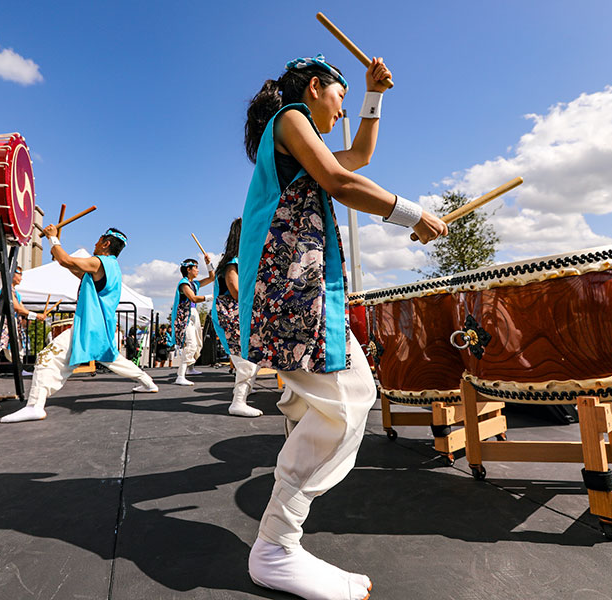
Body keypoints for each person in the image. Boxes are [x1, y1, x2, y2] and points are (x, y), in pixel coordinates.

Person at [239, 54, 447, 599]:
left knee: (322, 401)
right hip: (291, 287)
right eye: (340, 97)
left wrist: (373, 98)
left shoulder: (296, 129)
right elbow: (338, 179)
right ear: (314, 87)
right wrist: (411, 213)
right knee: (351, 397)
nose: (341, 110)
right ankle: (275, 544)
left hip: (296, 285)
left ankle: (281, 541)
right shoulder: (290, 117)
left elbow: (355, 159)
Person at [0, 225, 159, 424]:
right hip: (100, 327)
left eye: (97, 241)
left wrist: (52, 239)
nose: (94, 244)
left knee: (48, 357)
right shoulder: (111, 267)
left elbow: (68, 260)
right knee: (113, 359)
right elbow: (71, 266)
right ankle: (148, 382)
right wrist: (59, 255)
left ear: (105, 243)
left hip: (90, 326)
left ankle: (34, 406)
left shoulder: (100, 262)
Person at [211, 218, 262, 417]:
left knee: (250, 357)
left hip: (235, 314)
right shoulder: (232, 263)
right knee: (246, 359)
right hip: (229, 315)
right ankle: (238, 401)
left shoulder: (236, 261)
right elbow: (235, 292)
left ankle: (242, 392)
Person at [0, 265, 46, 366]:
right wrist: (37, 316)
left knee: (15, 350)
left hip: (11, 324)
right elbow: (17, 308)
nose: (21, 278)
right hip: (1, 323)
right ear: (12, 274)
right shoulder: (6, 291)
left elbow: (22, 310)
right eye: (20, 274)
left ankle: (20, 369)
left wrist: (36, 317)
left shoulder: (16, 294)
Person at [167, 256, 215, 385]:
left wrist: (208, 264)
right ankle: (180, 376)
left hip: (194, 314)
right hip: (184, 316)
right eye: (196, 267)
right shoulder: (184, 284)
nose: (198, 270)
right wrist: (211, 297)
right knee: (191, 344)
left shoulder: (194, 283)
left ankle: (190, 368)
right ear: (188, 269)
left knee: (198, 343)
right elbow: (193, 298)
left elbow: (212, 278)